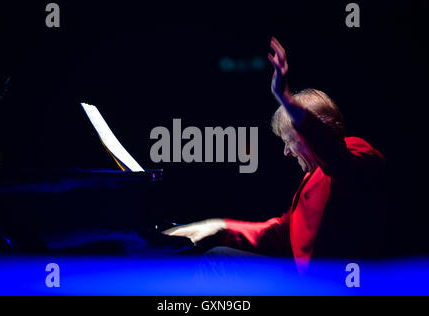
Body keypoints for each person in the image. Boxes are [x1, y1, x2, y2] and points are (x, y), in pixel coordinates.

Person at [164, 37, 387, 274]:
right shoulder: (312, 176)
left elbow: (334, 154)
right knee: (218, 254)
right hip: (304, 277)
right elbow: (281, 232)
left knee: (217, 260)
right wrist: (221, 228)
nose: (286, 151)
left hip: (331, 281)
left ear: (310, 132)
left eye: (290, 140)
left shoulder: (357, 152)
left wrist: (286, 99)